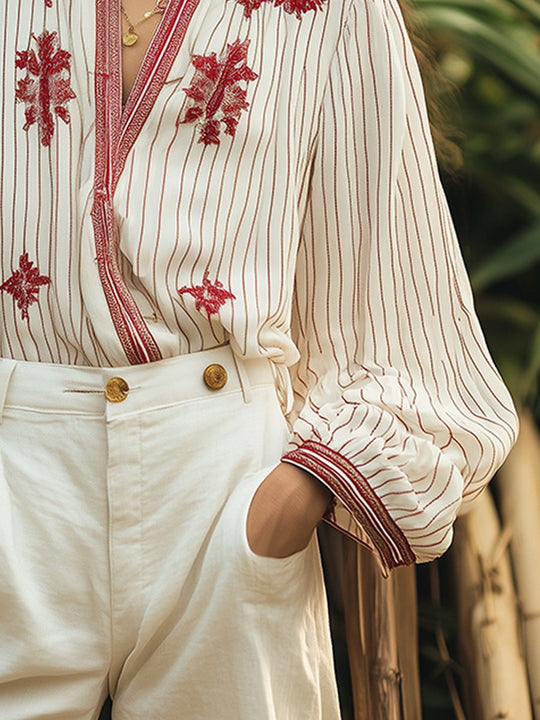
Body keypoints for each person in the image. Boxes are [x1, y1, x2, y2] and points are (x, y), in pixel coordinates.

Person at [0, 0, 518, 718]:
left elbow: (395, 284)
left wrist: (290, 499)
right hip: (15, 472)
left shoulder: (335, 12)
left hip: (222, 488)